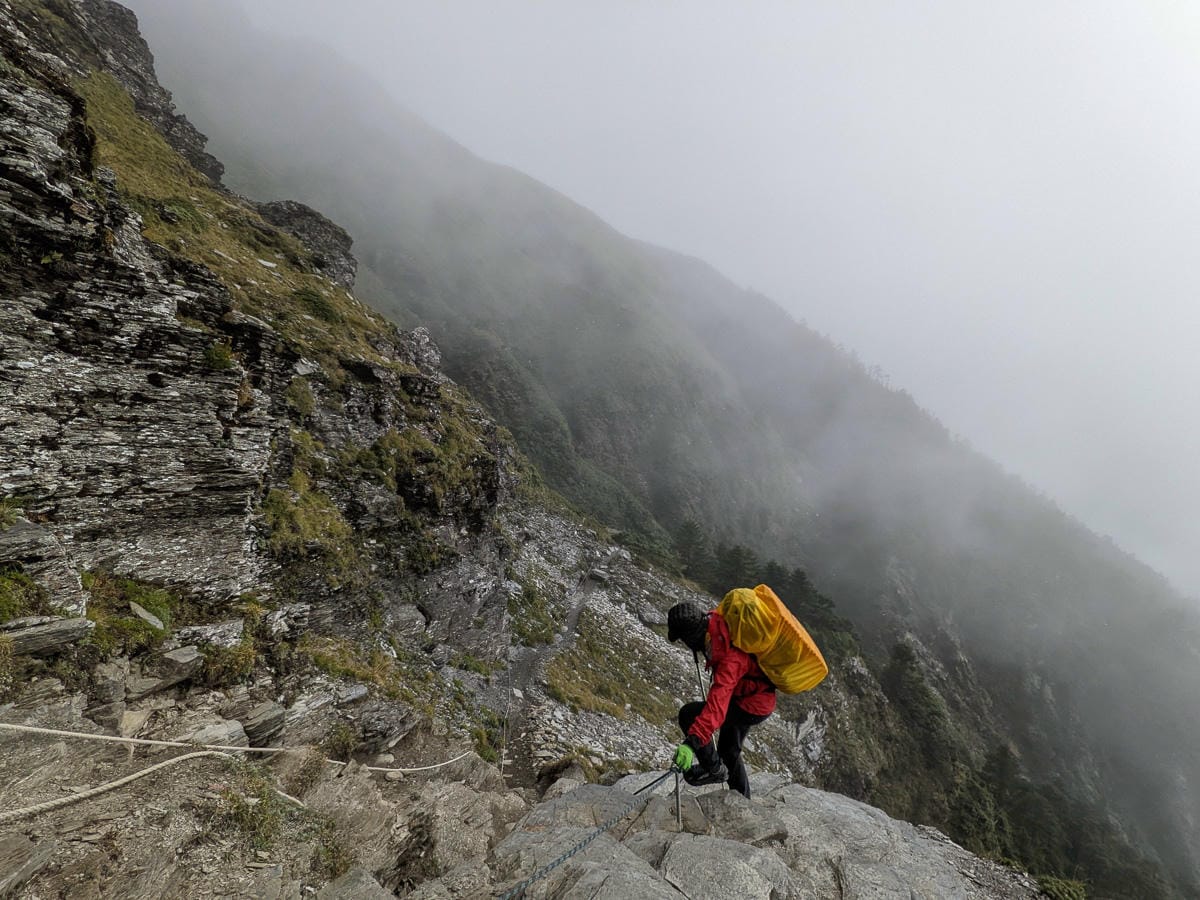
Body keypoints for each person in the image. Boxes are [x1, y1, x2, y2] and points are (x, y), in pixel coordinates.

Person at [666, 600, 776, 798]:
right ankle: (743, 800)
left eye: (683, 639)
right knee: (728, 750)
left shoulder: (729, 658)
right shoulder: (713, 623)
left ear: (692, 637)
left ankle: (714, 770)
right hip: (751, 696)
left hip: (751, 705)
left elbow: (717, 706)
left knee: (689, 714)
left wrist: (692, 743)